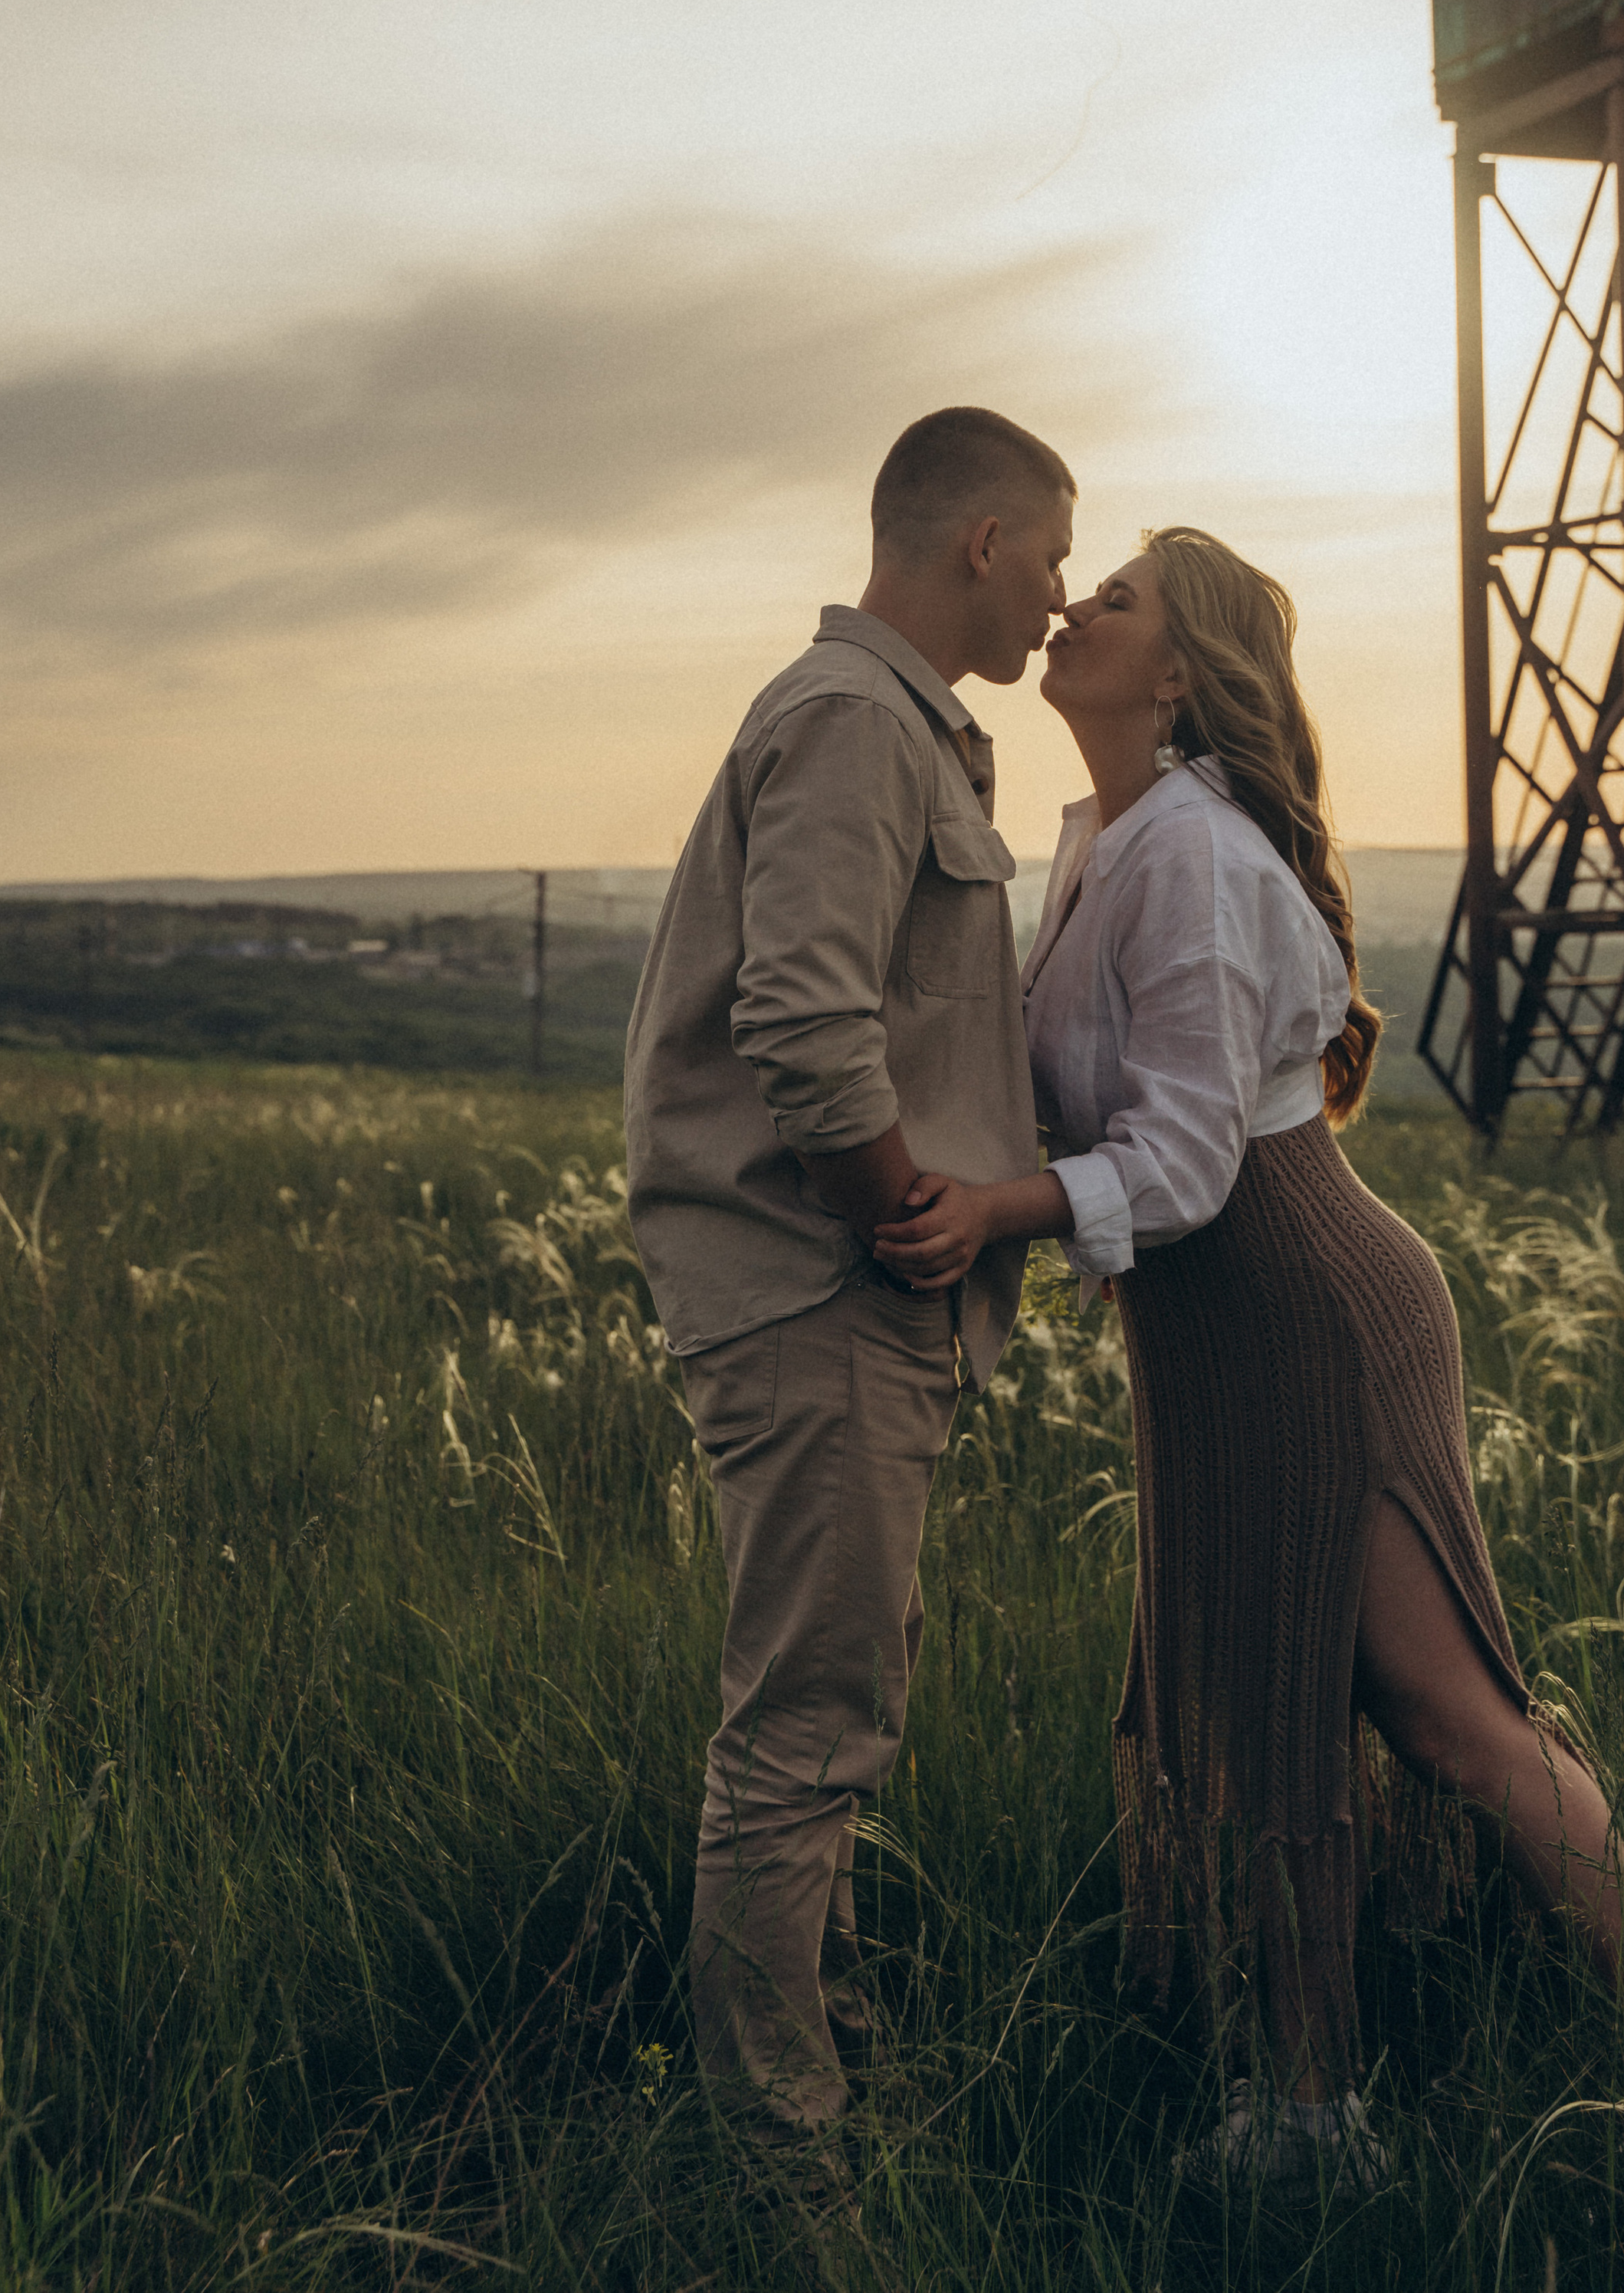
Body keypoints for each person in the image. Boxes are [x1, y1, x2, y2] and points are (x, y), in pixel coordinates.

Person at [874, 524, 1624, 2201]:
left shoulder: (1186, 851)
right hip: (1211, 1332)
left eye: (1114, 599)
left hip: (1307, 1310)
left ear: (1176, 671)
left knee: (1448, 1720)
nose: (1073, 605)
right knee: (1251, 1715)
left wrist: (990, 1215)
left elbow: (1179, 1165)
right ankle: (1306, 2117)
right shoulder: (1099, 834)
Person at [624, 405, 1078, 2144]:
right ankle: (786, 2169)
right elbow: (806, 1023)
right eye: (1046, 554)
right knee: (802, 1739)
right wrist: (905, 1214)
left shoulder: (899, 731)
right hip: (823, 1293)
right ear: (980, 543)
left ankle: (831, 2065)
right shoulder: (850, 727)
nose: (1052, 594)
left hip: (845, 1303)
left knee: (837, 1717)